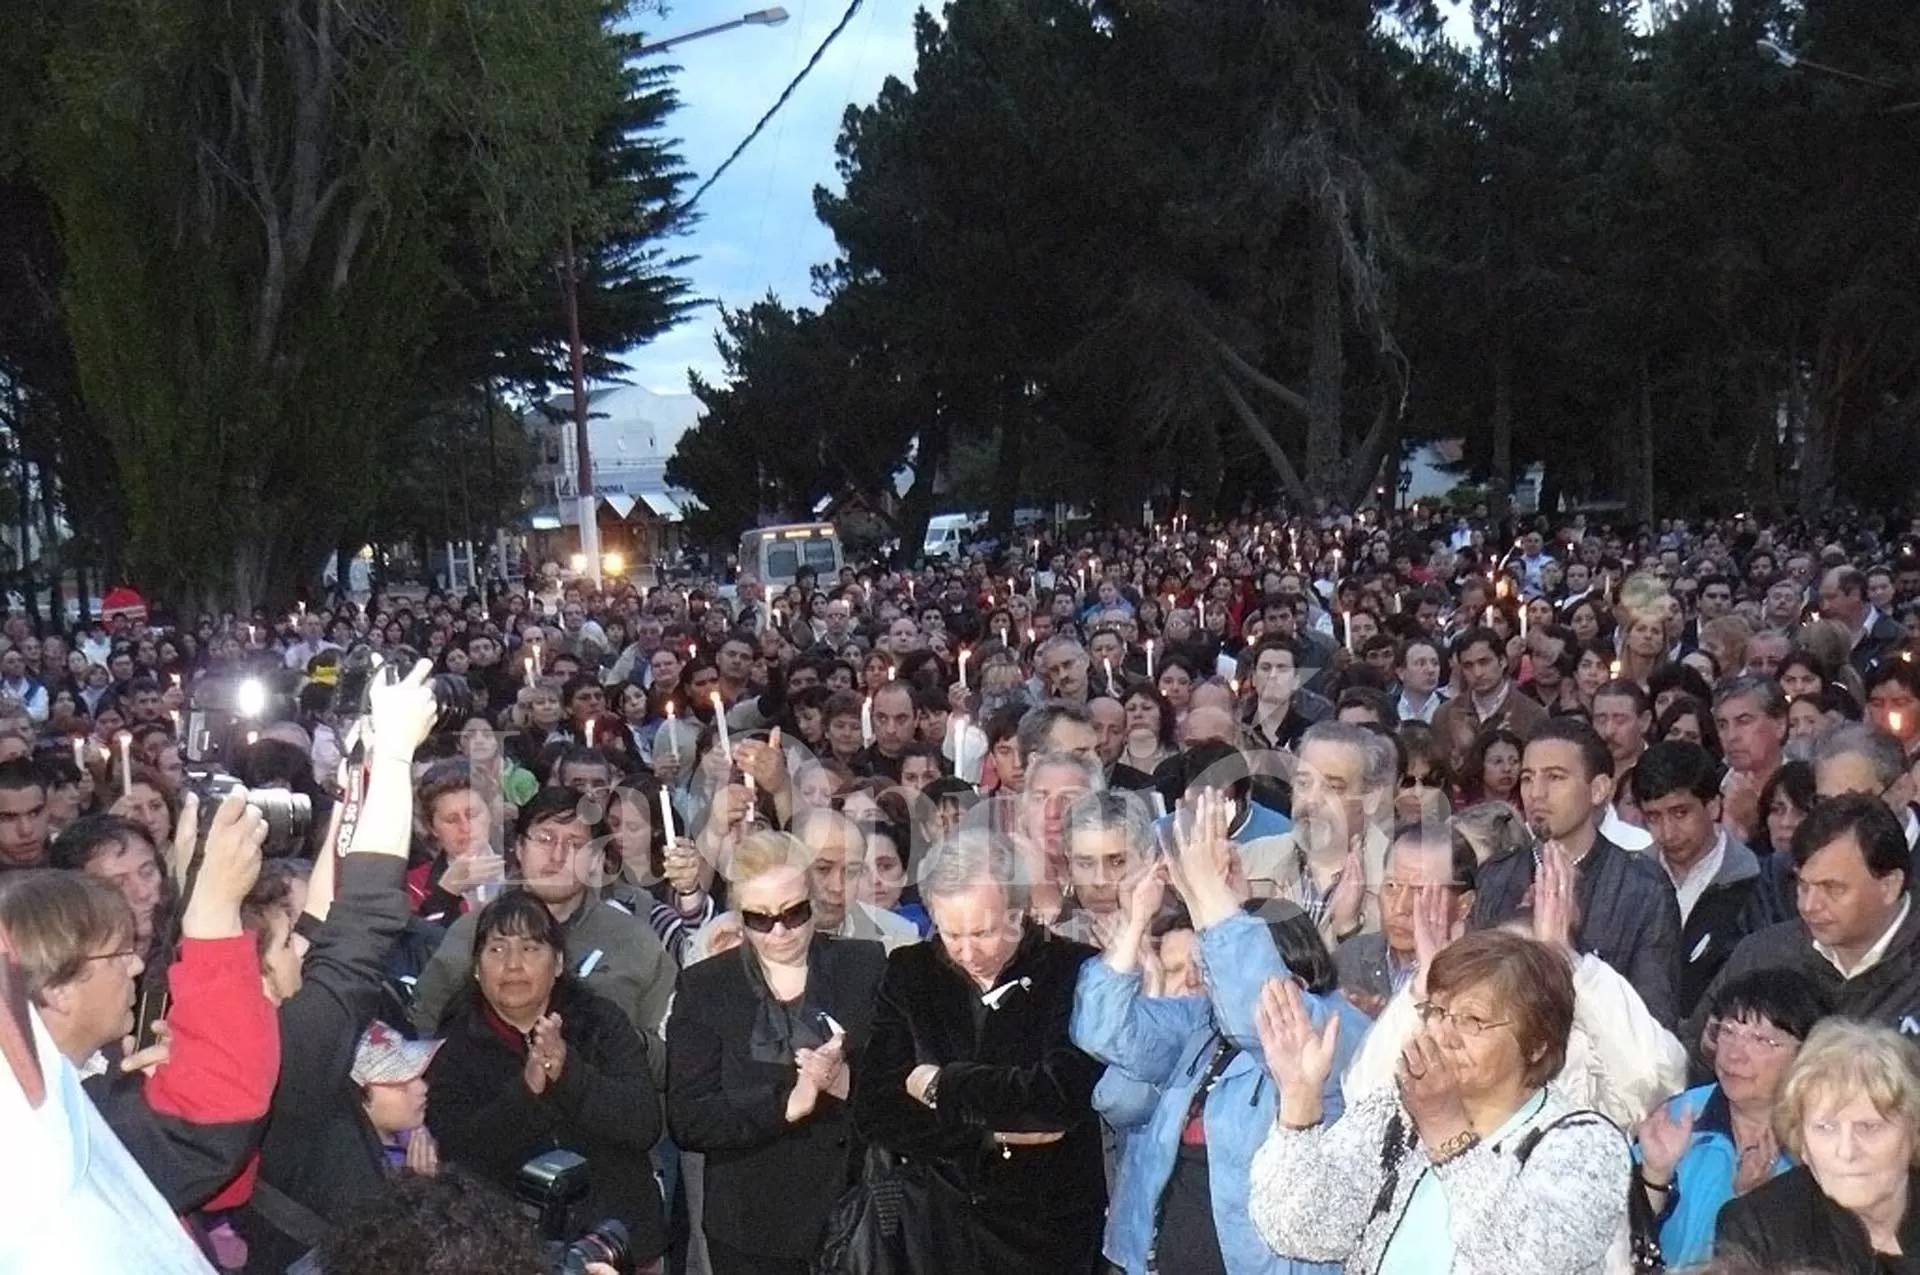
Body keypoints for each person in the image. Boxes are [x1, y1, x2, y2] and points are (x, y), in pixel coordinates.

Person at [1071, 787, 1367, 1275]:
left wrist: (1206, 888)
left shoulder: (1333, 1026)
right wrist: (1137, 920)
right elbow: (1104, 1032)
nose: (1205, 980)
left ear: (1296, 974)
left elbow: (1259, 1006)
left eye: (1215, 966)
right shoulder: (1202, 1028)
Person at [1248, 928, 1632, 1274]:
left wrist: (1446, 1130)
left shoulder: (1585, 1143)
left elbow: (1527, 1262)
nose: (1444, 1034)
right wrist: (1299, 1097)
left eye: (1472, 1020)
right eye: (1437, 1011)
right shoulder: (1396, 1111)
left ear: (1537, 1045)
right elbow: (1299, 1231)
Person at [0, 795, 279, 1217]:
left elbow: (213, 1184)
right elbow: (200, 1138)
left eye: (148, 871)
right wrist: (214, 918)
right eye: (115, 956)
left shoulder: (94, 1067)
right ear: (57, 988)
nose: (133, 964)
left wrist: (153, 1087)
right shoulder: (29, 1122)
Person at [853, 829, 1107, 1273]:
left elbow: (1057, 1099)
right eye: (951, 934)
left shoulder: (1074, 969)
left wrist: (938, 1086)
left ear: (1018, 911)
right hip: (935, 1232)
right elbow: (876, 1107)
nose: (968, 952)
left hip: (1045, 1235)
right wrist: (991, 1134)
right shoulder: (910, 972)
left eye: (984, 933)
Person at [665, 830, 886, 1274]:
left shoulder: (865, 965)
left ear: (813, 899)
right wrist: (787, 1105)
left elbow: (897, 1086)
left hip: (854, 1215)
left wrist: (844, 1082)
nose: (780, 930)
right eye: (761, 919)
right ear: (739, 918)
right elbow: (690, 1120)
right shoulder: (707, 987)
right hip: (750, 1228)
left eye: (794, 912)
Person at [423, 891, 666, 1265]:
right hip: (509, 1254)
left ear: (558, 963)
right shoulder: (454, 1049)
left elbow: (642, 1124)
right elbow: (462, 1156)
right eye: (497, 950)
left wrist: (568, 1073)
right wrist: (526, 1091)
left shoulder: (600, 1021)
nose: (514, 965)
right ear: (475, 968)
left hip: (618, 1242)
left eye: (531, 948)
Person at [409, 787, 678, 1077]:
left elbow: (671, 1060)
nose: (558, 855)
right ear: (520, 850)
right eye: (545, 839)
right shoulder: (471, 934)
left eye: (575, 843)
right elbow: (420, 1036)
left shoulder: (635, 943)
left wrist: (607, 1037)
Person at [1470, 717, 1684, 1029]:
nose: (1536, 793)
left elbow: (1654, 1023)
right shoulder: (1496, 877)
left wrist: (1570, 957)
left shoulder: (1643, 889)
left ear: (1598, 789)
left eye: (1555, 778)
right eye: (1528, 778)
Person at [1685, 795, 1920, 1055]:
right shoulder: (1762, 956)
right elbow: (1692, 1056)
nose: (1809, 905)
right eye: (1802, 885)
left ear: (1889, 886)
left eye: (1832, 888)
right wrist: (1713, 1053)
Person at [1634, 968, 1829, 1268]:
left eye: (1762, 1040)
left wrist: (1757, 1206)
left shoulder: (1825, 1142)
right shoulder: (1680, 1116)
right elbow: (1613, 1239)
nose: (1734, 1054)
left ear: (1807, 1054)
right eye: (1727, 1031)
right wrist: (1654, 1175)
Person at [1715, 1019, 1920, 1271]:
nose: (1846, 1151)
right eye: (1825, 1128)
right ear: (1802, 1143)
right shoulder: (1757, 1230)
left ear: (1914, 1132)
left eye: (1868, 1127)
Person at [1631, 741, 1769, 1018]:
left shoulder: (1757, 883)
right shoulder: (1628, 880)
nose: (1668, 832)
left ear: (1713, 807)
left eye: (1681, 813)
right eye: (1653, 817)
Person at [1335, 823, 1477, 1017]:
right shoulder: (1350, 958)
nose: (1400, 908)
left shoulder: (1479, 977)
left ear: (1464, 905)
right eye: (1391, 886)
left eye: (1421, 892)